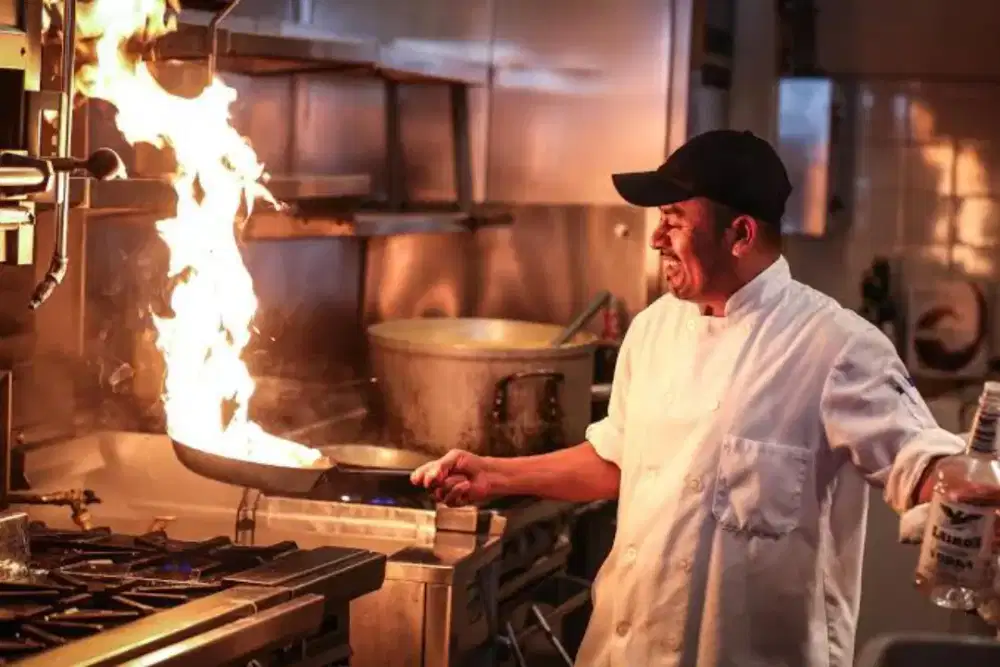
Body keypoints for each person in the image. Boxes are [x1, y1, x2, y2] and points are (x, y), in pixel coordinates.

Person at [410, 129, 965, 667]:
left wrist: (963, 490)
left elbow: (923, 462)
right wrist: (496, 475)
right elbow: (619, 460)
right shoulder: (654, 328)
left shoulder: (834, 347)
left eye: (673, 222)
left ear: (740, 234)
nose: (655, 239)